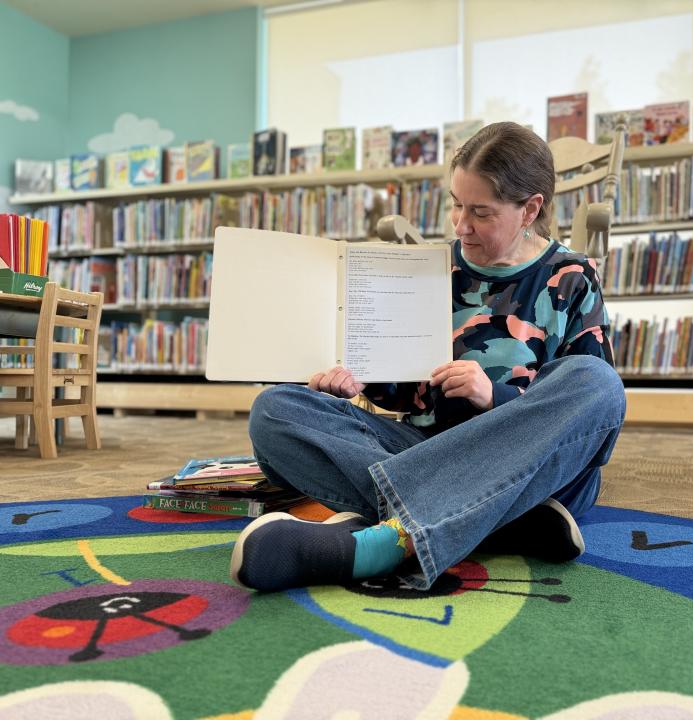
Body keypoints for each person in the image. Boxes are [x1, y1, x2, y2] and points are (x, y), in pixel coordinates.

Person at [232, 121, 625, 592]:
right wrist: (360, 381)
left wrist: (495, 396)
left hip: (536, 465)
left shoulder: (573, 277)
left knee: (596, 382)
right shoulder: (429, 267)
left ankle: (384, 543)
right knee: (276, 411)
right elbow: (404, 397)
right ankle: (503, 521)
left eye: (480, 211)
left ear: (530, 209)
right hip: (430, 451)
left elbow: (591, 422)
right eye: (456, 205)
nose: (461, 225)